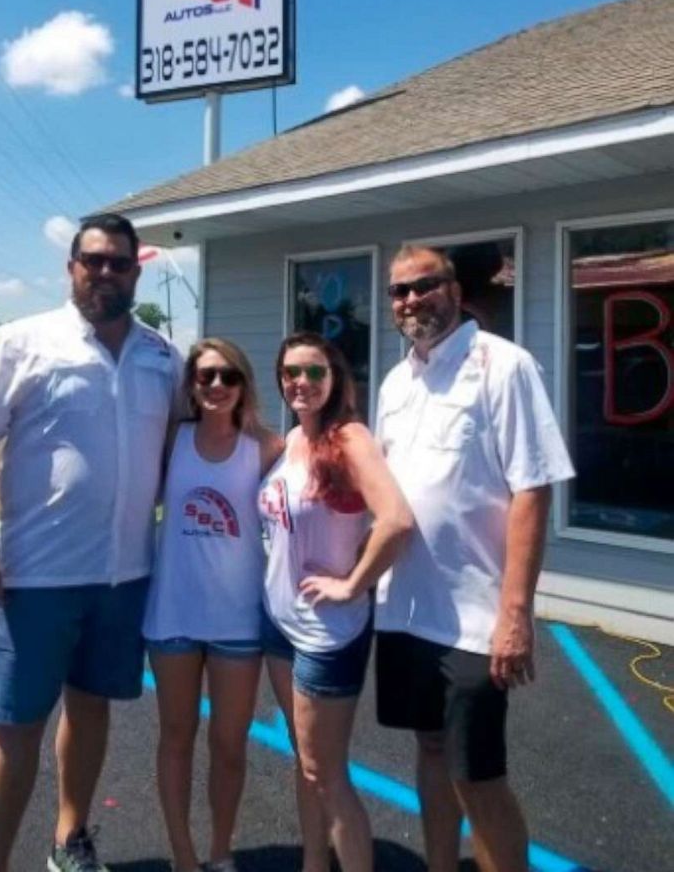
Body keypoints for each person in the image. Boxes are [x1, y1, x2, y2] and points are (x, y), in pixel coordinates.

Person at [0, 213, 183, 872]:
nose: (104, 272)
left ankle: (69, 840)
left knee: (91, 707)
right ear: (71, 267)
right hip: (35, 578)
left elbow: (191, 444)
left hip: (125, 575)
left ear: (138, 270)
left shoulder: (163, 356)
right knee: (17, 725)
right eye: (93, 260)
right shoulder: (20, 342)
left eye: (118, 262)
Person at [375, 245, 575, 872]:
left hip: (473, 619)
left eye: (423, 285)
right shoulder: (395, 381)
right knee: (431, 751)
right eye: (399, 291)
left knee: (478, 775)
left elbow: (532, 488)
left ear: (454, 290)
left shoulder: (503, 365)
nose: (411, 300)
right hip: (405, 610)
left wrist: (515, 614)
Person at [259, 332, 413, 872]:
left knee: (327, 771)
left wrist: (353, 583)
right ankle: (312, 863)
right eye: (291, 372)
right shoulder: (292, 442)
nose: (301, 381)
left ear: (335, 377)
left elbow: (396, 520)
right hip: (278, 623)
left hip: (328, 631)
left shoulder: (349, 438)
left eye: (315, 371)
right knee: (306, 763)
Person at [144, 337, 282, 872]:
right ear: (192, 387)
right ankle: (183, 856)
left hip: (238, 623)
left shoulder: (268, 448)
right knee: (176, 737)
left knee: (229, 744)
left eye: (229, 376)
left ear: (245, 383)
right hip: (173, 615)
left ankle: (221, 851)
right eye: (206, 377)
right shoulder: (170, 442)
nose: (218, 386)